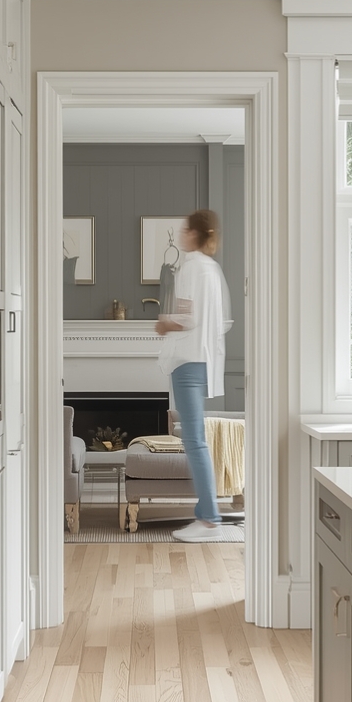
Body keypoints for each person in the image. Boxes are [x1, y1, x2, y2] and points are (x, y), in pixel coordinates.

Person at [155, 209, 235, 542]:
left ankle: (209, 519)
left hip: (187, 361)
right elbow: (220, 322)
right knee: (194, 438)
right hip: (203, 360)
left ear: (194, 234)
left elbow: (186, 320)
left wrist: (163, 323)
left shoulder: (189, 268)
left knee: (194, 440)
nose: (182, 232)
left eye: (185, 229)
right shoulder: (213, 270)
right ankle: (207, 515)